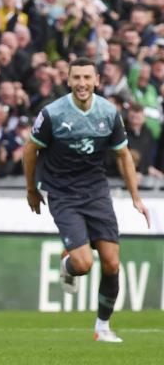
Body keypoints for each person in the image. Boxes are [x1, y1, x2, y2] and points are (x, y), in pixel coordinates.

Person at [24, 57, 150, 343]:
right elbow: (30, 150)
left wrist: (136, 198)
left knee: (112, 263)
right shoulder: (53, 114)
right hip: (62, 192)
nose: (82, 83)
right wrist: (31, 189)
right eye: (77, 78)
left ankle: (102, 327)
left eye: (87, 78)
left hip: (96, 192)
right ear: (69, 80)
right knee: (83, 265)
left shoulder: (109, 113)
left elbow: (123, 155)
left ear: (97, 81)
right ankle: (68, 263)